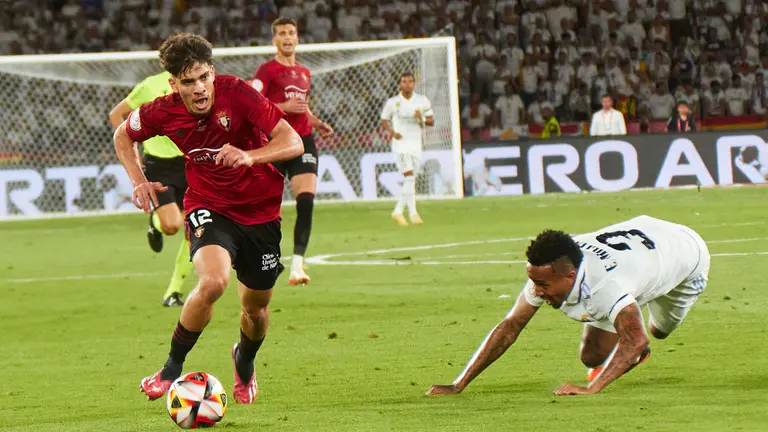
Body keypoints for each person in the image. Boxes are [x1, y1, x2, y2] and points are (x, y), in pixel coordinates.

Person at [113, 33, 303, 404]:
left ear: (212, 72)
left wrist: (252, 156)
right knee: (213, 282)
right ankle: (170, 369)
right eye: (188, 82)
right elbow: (123, 135)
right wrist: (139, 182)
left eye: (203, 77)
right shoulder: (160, 111)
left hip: (261, 213)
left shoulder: (239, 93)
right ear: (173, 84)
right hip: (208, 204)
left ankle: (243, 361)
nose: (199, 88)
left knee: (256, 307)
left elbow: (292, 141)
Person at [427, 215, 710, 396]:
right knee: (591, 356)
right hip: (641, 252)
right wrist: (459, 384)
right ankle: (633, 342)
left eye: (543, 286)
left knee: (657, 331)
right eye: (533, 282)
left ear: (570, 276)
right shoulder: (550, 268)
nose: (537, 291)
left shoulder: (603, 287)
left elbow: (636, 338)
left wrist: (592, 388)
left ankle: (638, 345)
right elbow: (512, 325)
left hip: (685, 257)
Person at [251, 16, 333, 286]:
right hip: (275, 142)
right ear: (274, 39)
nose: (287, 37)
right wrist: (283, 107)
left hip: (303, 141)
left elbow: (303, 108)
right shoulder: (266, 71)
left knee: (306, 201)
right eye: (282, 33)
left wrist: (317, 123)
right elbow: (254, 102)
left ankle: (298, 265)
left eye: (291, 33)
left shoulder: (304, 72)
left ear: (298, 38)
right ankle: (270, 259)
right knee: (267, 209)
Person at [108, 71, 191, 307]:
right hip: (160, 166)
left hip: (191, 163)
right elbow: (117, 115)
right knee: (172, 225)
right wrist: (132, 155)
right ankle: (155, 225)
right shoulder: (150, 85)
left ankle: (173, 292)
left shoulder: (198, 83)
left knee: (194, 228)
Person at [380, 72, 435, 226]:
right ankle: (413, 213)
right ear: (399, 84)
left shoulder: (422, 101)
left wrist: (421, 118)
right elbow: (384, 120)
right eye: (404, 82)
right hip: (401, 144)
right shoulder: (393, 102)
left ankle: (398, 211)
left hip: (416, 144)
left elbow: (431, 121)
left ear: (414, 84)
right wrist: (392, 133)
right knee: (409, 177)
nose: (407, 84)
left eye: (410, 81)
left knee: (410, 180)